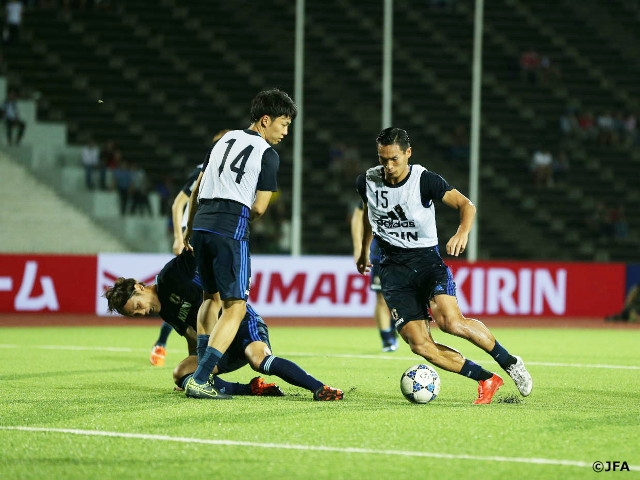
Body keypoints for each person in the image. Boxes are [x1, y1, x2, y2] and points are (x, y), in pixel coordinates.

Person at [355, 127, 532, 405]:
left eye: (394, 159)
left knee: (450, 322)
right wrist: (364, 249)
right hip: (391, 270)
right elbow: (370, 212)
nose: (388, 167)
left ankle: (509, 362)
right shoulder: (367, 180)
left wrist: (462, 232)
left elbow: (466, 205)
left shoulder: (424, 180)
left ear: (408, 154)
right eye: (382, 159)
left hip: (426, 261)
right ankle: (486, 379)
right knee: (420, 345)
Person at [182, 89, 300, 399]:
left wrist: (187, 229)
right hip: (229, 227)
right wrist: (238, 217)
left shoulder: (223, 139)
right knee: (236, 307)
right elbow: (259, 208)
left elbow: (197, 187)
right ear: (266, 120)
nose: (286, 132)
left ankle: (201, 369)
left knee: (210, 297)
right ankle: (202, 378)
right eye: (284, 124)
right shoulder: (267, 154)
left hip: (201, 222)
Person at [103, 251, 343, 400]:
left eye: (138, 306)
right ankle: (251, 389)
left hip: (240, 321)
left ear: (139, 287)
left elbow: (199, 253)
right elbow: (191, 335)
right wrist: (196, 372)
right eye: (136, 315)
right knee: (180, 374)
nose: (143, 313)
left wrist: (192, 242)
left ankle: (319, 388)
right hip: (219, 346)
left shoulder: (170, 275)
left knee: (258, 359)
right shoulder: (165, 312)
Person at [350, 202, 397, 352]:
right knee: (381, 298)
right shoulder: (376, 192)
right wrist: (358, 248)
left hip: (408, 253)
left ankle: (392, 327)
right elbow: (358, 215)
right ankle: (387, 339)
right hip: (381, 254)